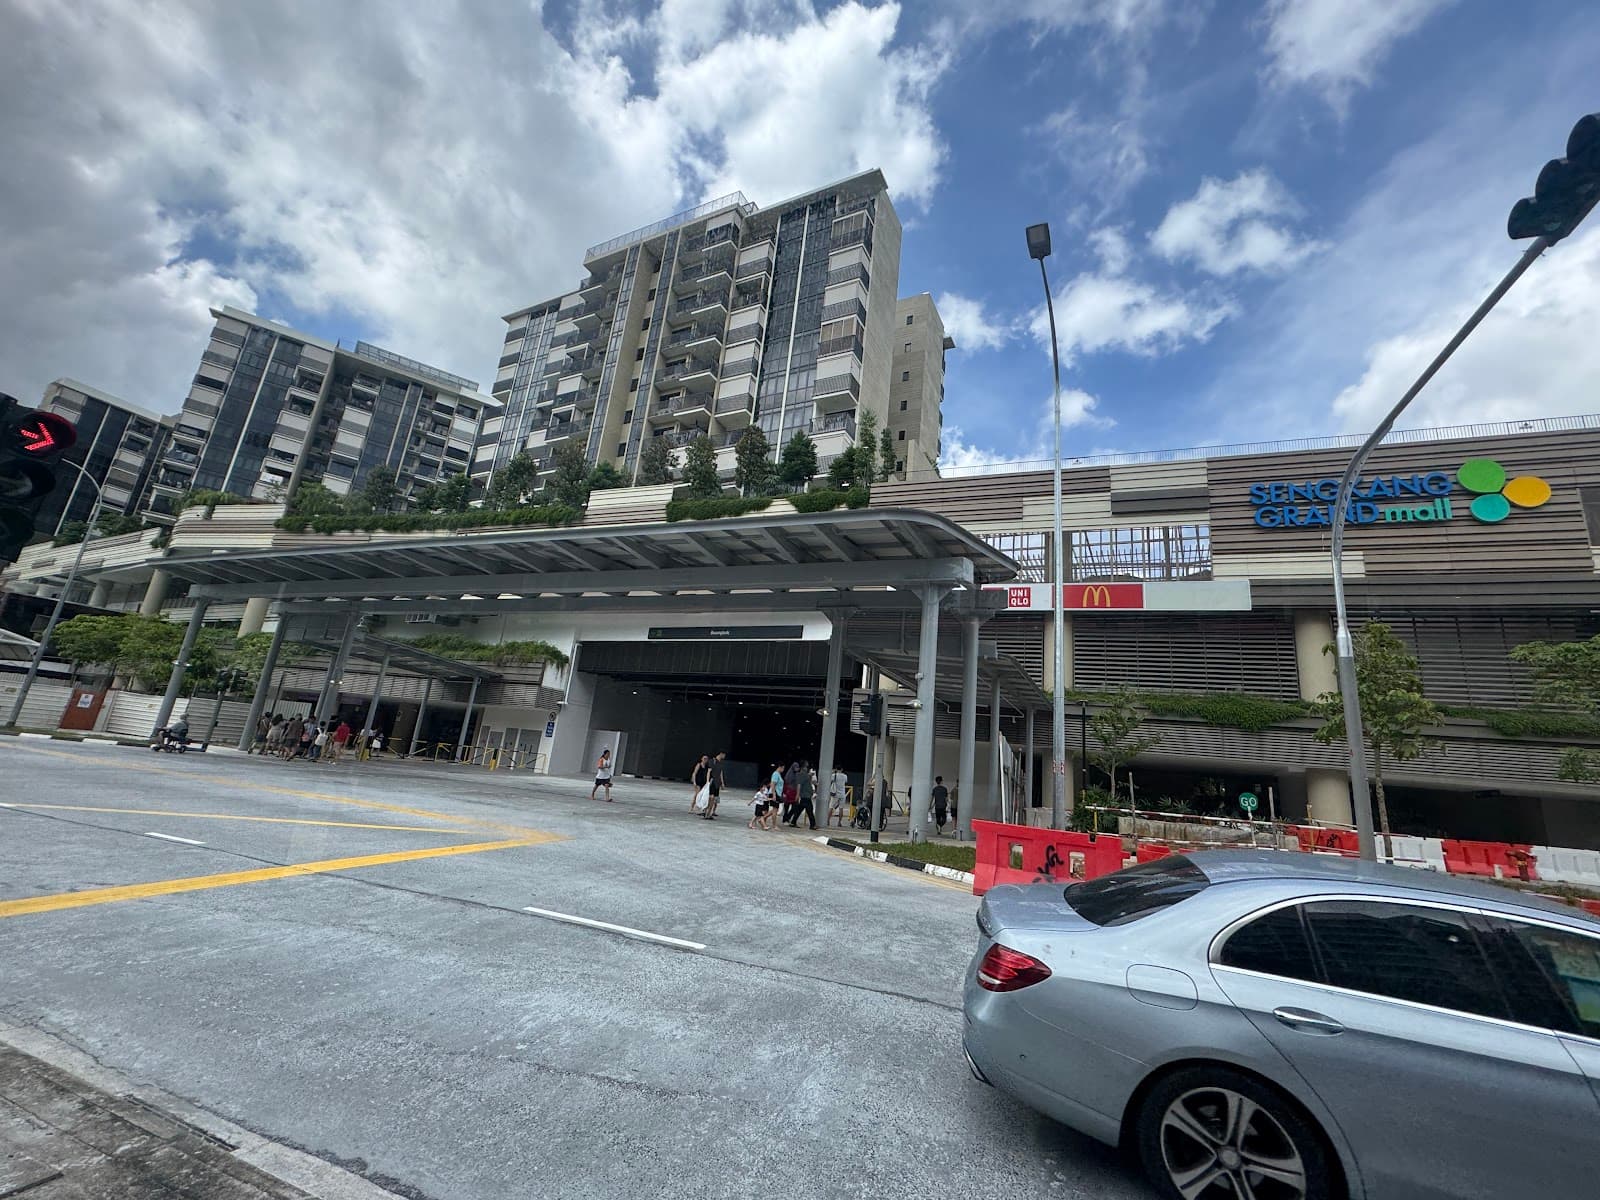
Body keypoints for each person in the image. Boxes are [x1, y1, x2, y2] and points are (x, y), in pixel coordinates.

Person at [786, 760, 817, 829]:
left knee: (800, 809)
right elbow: (799, 785)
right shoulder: (802, 774)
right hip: (805, 795)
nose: (807, 768)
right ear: (803, 767)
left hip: (806, 794)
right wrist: (797, 794)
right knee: (809, 809)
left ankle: (793, 822)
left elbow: (809, 781)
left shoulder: (805, 774)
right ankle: (813, 824)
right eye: (806, 766)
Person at [702, 751, 727, 819]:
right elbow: (709, 771)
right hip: (712, 781)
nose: (724, 756)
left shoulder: (721, 763)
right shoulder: (712, 761)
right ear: (721, 754)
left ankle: (709, 814)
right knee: (711, 797)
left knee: (714, 799)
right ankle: (706, 812)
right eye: (724, 755)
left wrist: (722, 783)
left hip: (717, 783)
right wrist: (707, 782)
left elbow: (720, 773)